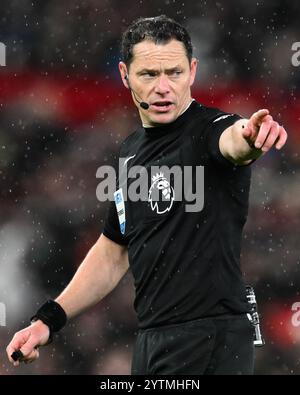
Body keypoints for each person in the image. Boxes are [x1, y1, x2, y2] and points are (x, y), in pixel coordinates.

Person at [6, 15, 287, 375]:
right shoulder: (131, 152)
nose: (164, 87)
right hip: (154, 338)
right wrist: (48, 320)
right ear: (125, 75)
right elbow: (113, 251)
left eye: (174, 72)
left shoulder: (209, 131)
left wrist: (251, 135)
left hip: (212, 335)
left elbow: (234, 141)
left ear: (193, 71)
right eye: (149, 75)